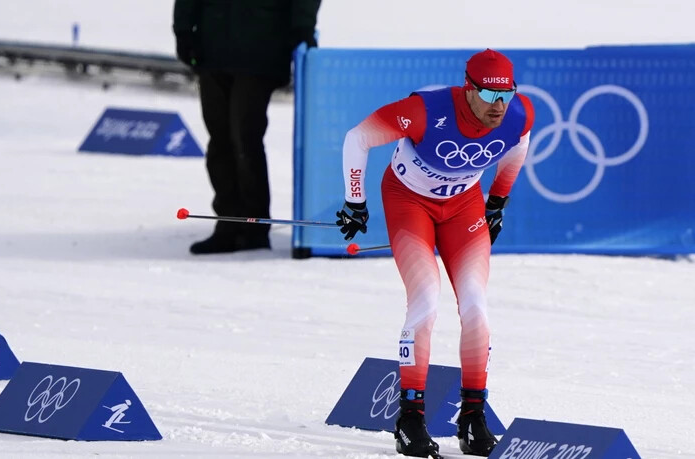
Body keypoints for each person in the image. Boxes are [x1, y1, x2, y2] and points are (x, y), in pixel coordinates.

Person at [335, 49, 534, 457]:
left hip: (463, 209)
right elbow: (357, 138)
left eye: (506, 95)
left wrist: (497, 201)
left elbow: (518, 146)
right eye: (489, 95)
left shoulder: (518, 114)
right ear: (468, 89)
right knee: (425, 301)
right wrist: (355, 201)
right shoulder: (425, 110)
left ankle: (473, 417)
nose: (499, 106)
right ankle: (410, 418)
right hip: (409, 204)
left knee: (476, 306)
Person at [172, 0, 322, 254]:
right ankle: (228, 226)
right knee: (219, 139)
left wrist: (302, 29)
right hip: (213, 47)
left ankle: (253, 227)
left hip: (261, 48)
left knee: (244, 137)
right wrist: (184, 29)